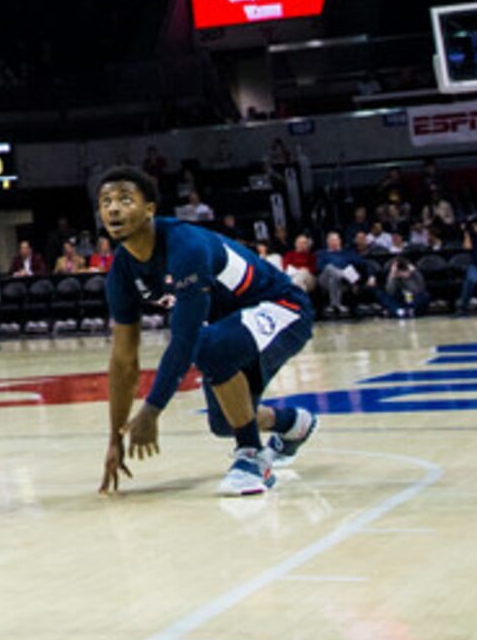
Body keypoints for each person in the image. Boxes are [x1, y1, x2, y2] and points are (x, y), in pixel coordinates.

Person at [95, 166, 317, 499]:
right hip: (232, 327)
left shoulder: (186, 246)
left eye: (125, 200)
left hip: (284, 307)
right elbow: (124, 361)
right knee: (224, 422)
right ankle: (290, 424)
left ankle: (252, 458)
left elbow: (184, 340)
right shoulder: (121, 273)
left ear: (150, 209)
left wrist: (152, 410)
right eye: (106, 201)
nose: (113, 208)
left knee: (206, 346)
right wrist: (115, 436)